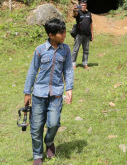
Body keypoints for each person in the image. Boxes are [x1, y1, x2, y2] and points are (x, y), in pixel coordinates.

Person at [23, 18, 74, 165]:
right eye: (61, 32)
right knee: (36, 126)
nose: (64, 34)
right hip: (39, 94)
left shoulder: (66, 50)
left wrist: (69, 89)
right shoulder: (40, 50)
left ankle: (49, 141)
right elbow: (32, 71)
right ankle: (37, 154)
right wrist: (27, 92)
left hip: (56, 93)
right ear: (51, 35)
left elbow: (68, 70)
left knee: (54, 123)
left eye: (64, 31)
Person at [72, 0, 94, 69]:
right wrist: (75, 9)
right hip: (79, 34)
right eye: (82, 5)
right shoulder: (78, 12)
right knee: (75, 50)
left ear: (86, 6)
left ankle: (85, 64)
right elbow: (75, 14)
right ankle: (73, 64)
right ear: (79, 6)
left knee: (86, 50)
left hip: (87, 35)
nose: (83, 6)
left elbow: (90, 24)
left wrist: (92, 34)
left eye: (84, 5)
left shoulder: (89, 13)